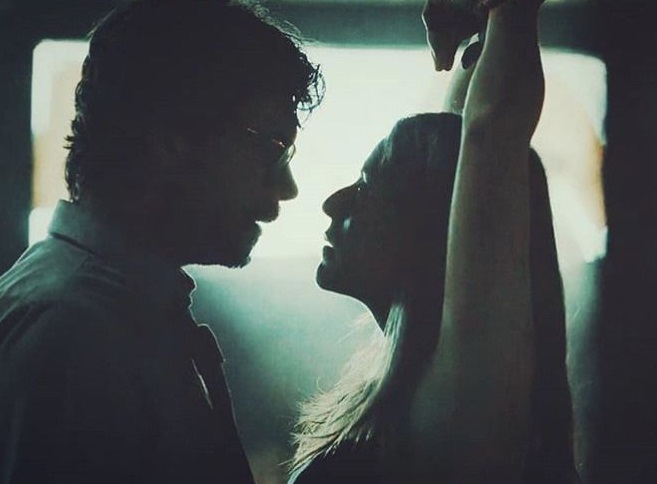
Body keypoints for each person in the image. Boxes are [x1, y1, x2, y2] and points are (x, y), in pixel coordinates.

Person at [0, 0, 322, 482]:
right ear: (170, 138)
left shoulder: (102, 308)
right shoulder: (77, 333)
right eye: (271, 147)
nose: (288, 187)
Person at [290, 0, 577, 482]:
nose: (333, 203)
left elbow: (489, 136)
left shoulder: (461, 404)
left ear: (427, 232)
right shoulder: (432, 394)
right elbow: (461, 148)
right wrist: (478, 33)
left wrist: (508, 8)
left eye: (366, 185)